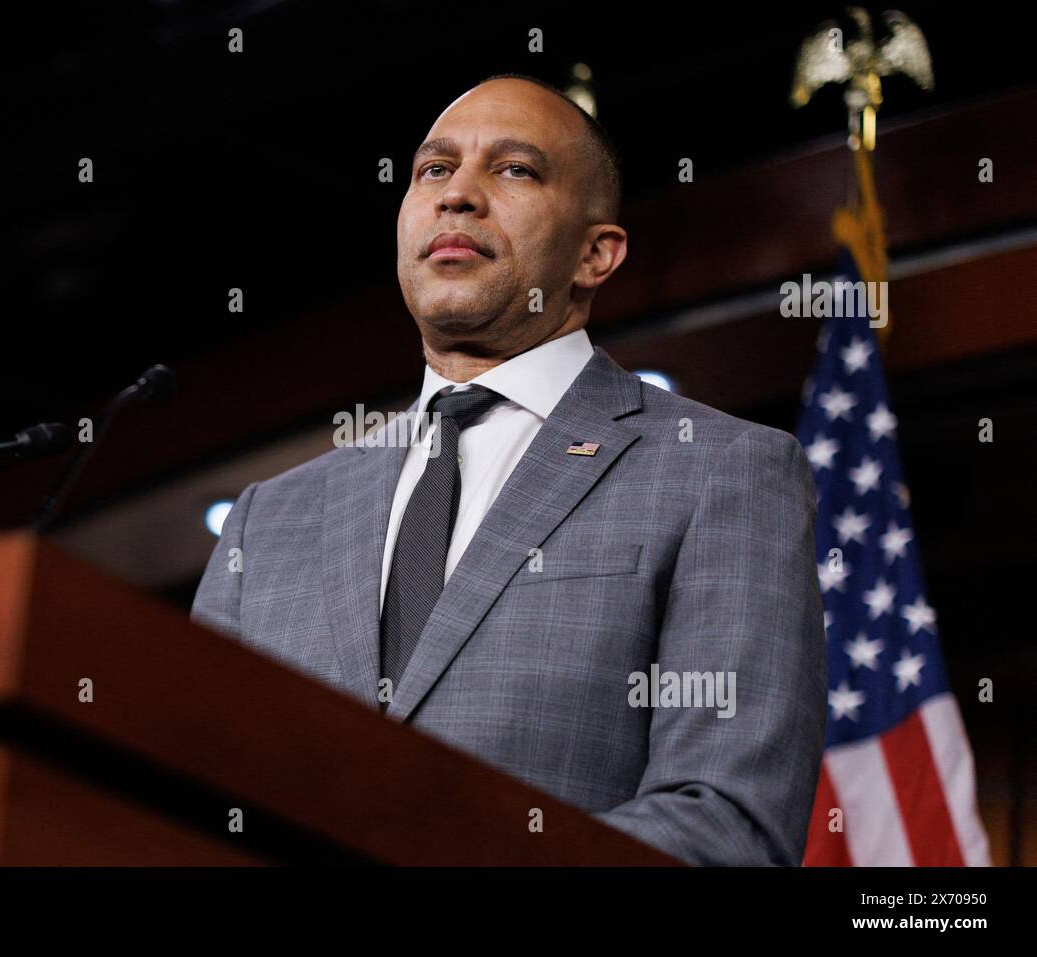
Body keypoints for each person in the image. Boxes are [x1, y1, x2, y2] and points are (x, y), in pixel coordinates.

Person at [192, 74, 826, 865]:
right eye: (434, 170)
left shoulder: (724, 473)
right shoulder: (269, 521)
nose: (457, 195)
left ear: (597, 254)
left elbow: (728, 825)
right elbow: (183, 806)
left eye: (514, 169)